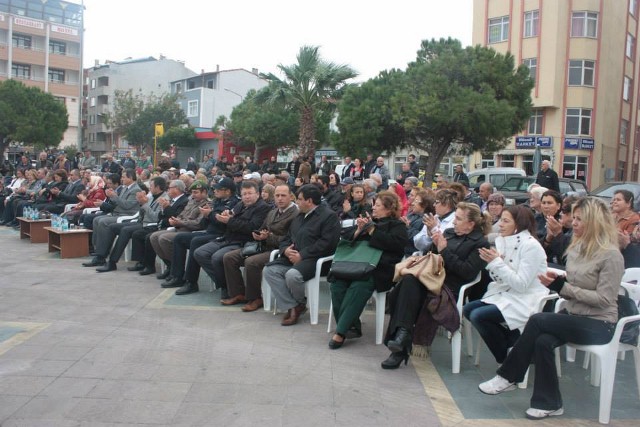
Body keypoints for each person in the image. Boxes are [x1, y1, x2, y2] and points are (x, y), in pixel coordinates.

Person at [478, 197, 624, 420]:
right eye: (573, 218)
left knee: (538, 320)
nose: (573, 223)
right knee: (542, 341)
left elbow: (604, 300)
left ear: (594, 222)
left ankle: (508, 375)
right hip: (573, 315)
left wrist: (562, 287)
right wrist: (558, 284)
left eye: (579, 219)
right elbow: (570, 287)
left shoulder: (611, 255)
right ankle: (549, 404)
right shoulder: (577, 249)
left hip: (599, 323)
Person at [381, 202, 491, 369]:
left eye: (459, 219)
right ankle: (403, 336)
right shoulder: (449, 233)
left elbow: (467, 272)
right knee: (407, 282)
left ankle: (400, 345)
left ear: (471, 224)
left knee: (406, 291)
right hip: (430, 279)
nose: (454, 222)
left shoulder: (480, 243)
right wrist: (434, 244)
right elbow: (430, 257)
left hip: (449, 288)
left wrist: (444, 250)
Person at [463, 205, 549, 363]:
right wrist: (494, 263)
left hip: (527, 297)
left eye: (505, 221)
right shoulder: (504, 241)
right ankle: (515, 345)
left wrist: (496, 263)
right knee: (468, 310)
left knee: (478, 316)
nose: (500, 225)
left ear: (518, 225)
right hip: (507, 293)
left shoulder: (531, 246)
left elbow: (521, 284)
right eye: (501, 220)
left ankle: (508, 361)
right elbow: (501, 279)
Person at [328, 191, 408, 349]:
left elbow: (396, 246)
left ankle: (341, 331)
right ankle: (352, 326)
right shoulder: (370, 222)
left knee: (359, 286)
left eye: (378, 205)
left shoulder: (397, 225)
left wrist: (372, 231)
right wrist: (359, 231)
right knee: (336, 283)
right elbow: (349, 240)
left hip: (379, 268)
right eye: (374, 205)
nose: (374, 208)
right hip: (356, 263)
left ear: (389, 208)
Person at [263, 184, 341, 326]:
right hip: (293, 258)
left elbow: (327, 243)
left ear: (309, 201)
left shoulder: (329, 216)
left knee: (292, 275)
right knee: (269, 271)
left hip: (316, 260)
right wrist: (285, 249)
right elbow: (286, 238)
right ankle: (294, 306)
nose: (296, 202)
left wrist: (302, 255)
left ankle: (298, 305)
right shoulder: (299, 216)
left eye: (299, 199)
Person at [222, 184, 298, 310]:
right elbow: (262, 228)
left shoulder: (295, 214)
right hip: (262, 246)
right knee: (229, 257)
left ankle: (255, 298)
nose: (280, 199)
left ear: (290, 196)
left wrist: (268, 237)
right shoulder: (273, 212)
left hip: (279, 251)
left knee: (251, 262)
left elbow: (290, 240)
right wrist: (257, 234)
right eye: (277, 195)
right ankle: (239, 293)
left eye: (283, 195)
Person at [189, 181, 271, 297]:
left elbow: (252, 227)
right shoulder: (240, 205)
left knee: (217, 257)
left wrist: (229, 220)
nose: (247, 197)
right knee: (200, 253)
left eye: (250, 193)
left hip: (244, 242)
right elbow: (230, 218)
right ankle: (226, 285)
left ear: (257, 194)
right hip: (227, 238)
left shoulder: (263, 208)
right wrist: (227, 216)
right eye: (244, 194)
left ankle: (232, 289)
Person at [94, 176, 167, 272]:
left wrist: (144, 204)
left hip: (151, 224)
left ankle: (112, 262)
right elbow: (141, 212)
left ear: (158, 187)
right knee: (112, 227)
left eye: (151, 186)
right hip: (141, 221)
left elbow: (155, 218)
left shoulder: (164, 199)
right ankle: (101, 256)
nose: (149, 188)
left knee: (125, 230)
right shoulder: (150, 196)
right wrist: (142, 203)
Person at [82, 169, 142, 267]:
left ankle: (101, 255)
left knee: (103, 222)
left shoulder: (136, 189)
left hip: (126, 215)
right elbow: (117, 203)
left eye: (123, 177)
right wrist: (107, 200)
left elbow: (127, 206)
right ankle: (98, 250)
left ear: (130, 178)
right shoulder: (125, 188)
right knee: (96, 220)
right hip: (118, 213)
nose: (122, 179)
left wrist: (115, 196)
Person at [413, 189, 459, 253]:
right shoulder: (435, 217)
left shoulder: (455, 220)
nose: (434, 205)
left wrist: (433, 229)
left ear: (446, 204)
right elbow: (417, 244)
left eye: (437, 202)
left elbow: (444, 245)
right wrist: (428, 236)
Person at [402, 189, 435, 255]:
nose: (413, 203)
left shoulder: (426, 220)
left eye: (416, 201)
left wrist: (407, 228)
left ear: (425, 204)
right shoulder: (412, 214)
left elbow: (418, 241)